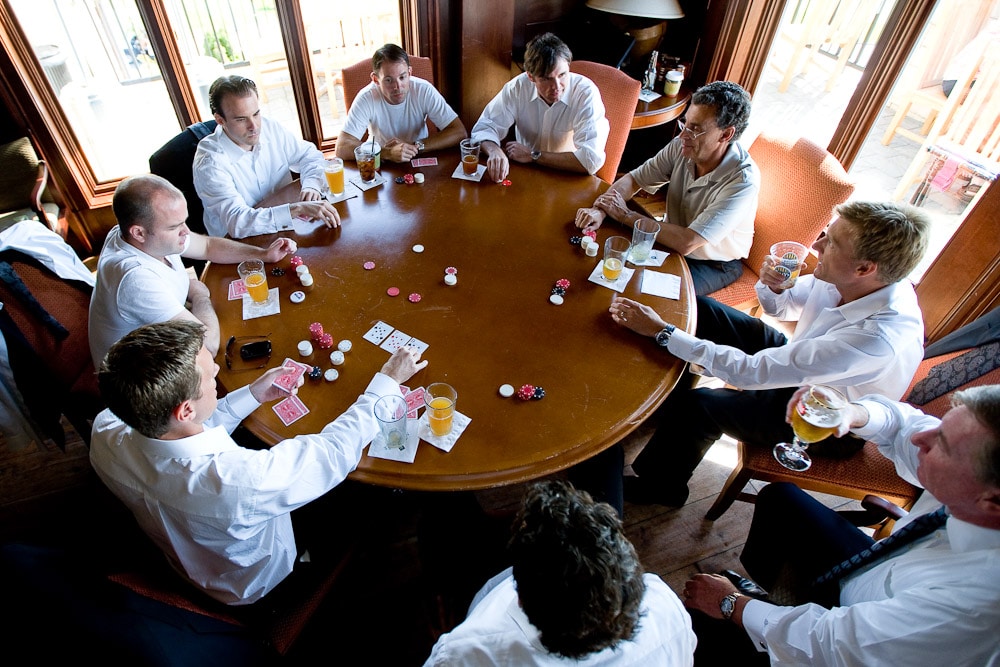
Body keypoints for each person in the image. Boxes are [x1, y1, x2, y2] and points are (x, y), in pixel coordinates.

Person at [610, 201, 930, 506]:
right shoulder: (851, 279)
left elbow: (749, 372)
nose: (816, 247)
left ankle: (662, 486)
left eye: (830, 243)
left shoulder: (876, 338)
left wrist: (660, 331)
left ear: (864, 267)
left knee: (703, 406)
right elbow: (785, 306)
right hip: (801, 364)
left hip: (826, 418)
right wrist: (775, 287)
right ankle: (668, 407)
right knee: (704, 311)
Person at [90, 320, 428, 606]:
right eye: (210, 377)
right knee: (373, 495)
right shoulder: (237, 481)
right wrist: (388, 383)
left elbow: (179, 434)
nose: (219, 372)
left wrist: (252, 393)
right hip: (261, 584)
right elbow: (332, 452)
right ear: (186, 410)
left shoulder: (104, 429)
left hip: (185, 554)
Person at [683, 384, 1000, 666]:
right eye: (941, 426)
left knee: (703, 623)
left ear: (992, 502)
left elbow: (833, 644)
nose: (922, 438)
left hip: (857, 645)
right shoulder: (976, 483)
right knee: (780, 499)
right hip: (875, 574)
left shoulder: (973, 605)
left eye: (941, 445)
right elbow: (906, 425)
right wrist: (853, 413)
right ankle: (777, 595)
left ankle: (763, 611)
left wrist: (732, 605)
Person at [424, 480, 696, 666]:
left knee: (444, 515)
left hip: (471, 604)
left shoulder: (466, 651)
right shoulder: (665, 607)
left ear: (520, 598)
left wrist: (450, 640)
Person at [88, 174, 296, 368]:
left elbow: (207, 247)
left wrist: (263, 254)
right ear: (138, 233)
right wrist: (199, 295)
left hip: (166, 335)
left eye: (184, 221)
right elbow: (209, 346)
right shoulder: (135, 280)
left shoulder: (135, 235)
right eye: (174, 227)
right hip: (143, 377)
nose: (186, 231)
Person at [576, 81, 757, 295]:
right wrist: (601, 210)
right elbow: (634, 179)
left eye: (695, 129)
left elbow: (688, 242)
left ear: (725, 135)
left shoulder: (743, 181)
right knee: (608, 266)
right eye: (685, 123)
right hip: (670, 238)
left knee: (645, 294)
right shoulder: (682, 145)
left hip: (713, 262)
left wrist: (625, 215)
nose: (683, 135)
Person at [193, 75, 341, 238]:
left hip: (286, 228)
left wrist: (311, 185)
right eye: (241, 119)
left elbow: (310, 155)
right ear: (220, 120)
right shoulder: (209, 163)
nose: (254, 126)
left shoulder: (270, 127)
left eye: (256, 114)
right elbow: (238, 222)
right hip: (240, 243)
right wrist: (298, 209)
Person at [470, 32, 609, 183]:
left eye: (562, 75)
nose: (557, 87)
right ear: (530, 77)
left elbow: (591, 160)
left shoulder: (585, 93)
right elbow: (484, 127)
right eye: (546, 78)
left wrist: (533, 155)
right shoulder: (518, 87)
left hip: (568, 176)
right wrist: (494, 151)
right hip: (527, 175)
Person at [335, 43, 467, 164]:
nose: (397, 86)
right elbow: (341, 147)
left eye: (402, 77)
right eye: (388, 80)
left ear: (409, 73)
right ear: (376, 79)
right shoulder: (366, 97)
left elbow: (459, 132)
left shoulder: (423, 89)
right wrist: (386, 153)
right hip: (381, 162)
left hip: (419, 156)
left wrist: (414, 146)